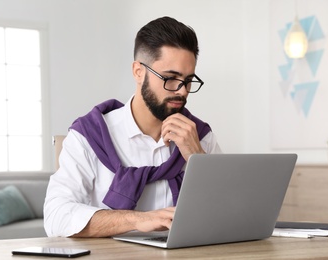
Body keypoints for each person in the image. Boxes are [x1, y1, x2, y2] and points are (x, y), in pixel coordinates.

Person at [44, 16, 222, 238]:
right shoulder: (89, 135)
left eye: (188, 80)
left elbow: (226, 216)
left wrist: (198, 159)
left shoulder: (200, 137)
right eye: (170, 78)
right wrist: (141, 219)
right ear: (139, 72)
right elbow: (56, 217)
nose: (182, 91)